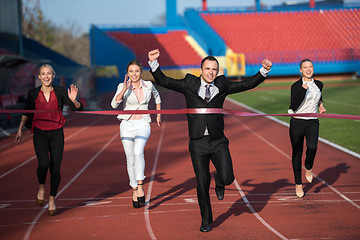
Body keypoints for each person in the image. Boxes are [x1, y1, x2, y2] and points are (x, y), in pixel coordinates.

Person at [148, 49, 272, 232]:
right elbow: (164, 81)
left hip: (218, 141)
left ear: (217, 71)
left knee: (229, 177)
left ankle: (220, 181)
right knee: (202, 183)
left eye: (214, 69)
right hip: (197, 142)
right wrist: (153, 63)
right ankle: (206, 219)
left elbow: (246, 84)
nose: (211, 72)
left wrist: (263, 71)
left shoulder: (222, 84)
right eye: (207, 69)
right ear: (201, 69)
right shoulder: (189, 83)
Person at [15, 64, 83, 216]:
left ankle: (52, 198)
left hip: (57, 133)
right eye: (43, 74)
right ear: (39, 77)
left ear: (53, 76)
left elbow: (79, 108)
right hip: (40, 133)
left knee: (55, 169)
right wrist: (20, 128)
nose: (46, 77)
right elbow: (26, 111)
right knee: (43, 163)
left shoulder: (59, 91)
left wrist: (74, 100)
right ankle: (41, 186)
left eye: (49, 74)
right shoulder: (33, 93)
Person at [111, 60, 161, 208]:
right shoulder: (122, 86)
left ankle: (140, 185)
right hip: (126, 125)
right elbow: (114, 105)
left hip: (143, 124)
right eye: (131, 71)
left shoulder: (149, 85)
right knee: (130, 158)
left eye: (137, 71)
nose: (134, 74)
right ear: (127, 73)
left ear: (141, 72)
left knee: (138, 152)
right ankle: (134, 189)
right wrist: (124, 89)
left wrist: (158, 114)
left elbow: (157, 97)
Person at [288, 59, 326, 198]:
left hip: (312, 122)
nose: (308, 69)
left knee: (312, 147)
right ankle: (298, 184)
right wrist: (302, 91)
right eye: (305, 67)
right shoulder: (296, 86)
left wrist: (321, 105)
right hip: (297, 123)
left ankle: (308, 167)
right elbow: (294, 106)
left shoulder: (319, 84)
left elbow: (319, 96)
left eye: (310, 67)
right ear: (300, 70)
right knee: (296, 154)